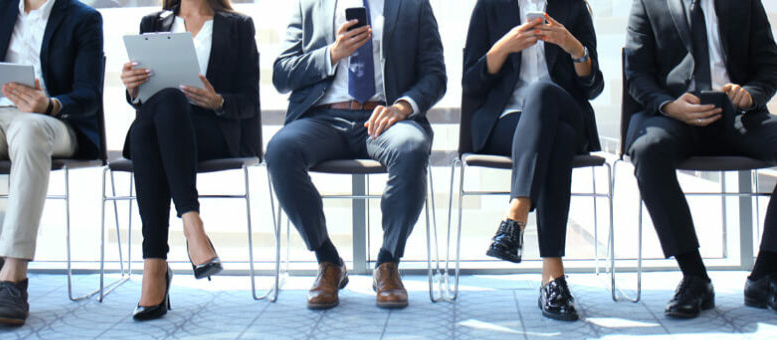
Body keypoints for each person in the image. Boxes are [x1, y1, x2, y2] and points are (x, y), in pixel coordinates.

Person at [266, 0, 447, 310]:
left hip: (385, 119)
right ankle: (328, 262)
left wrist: (402, 107)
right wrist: (332, 54)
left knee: (411, 147)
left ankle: (388, 263)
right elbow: (282, 75)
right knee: (281, 150)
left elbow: (435, 76)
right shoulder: (310, 5)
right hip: (323, 118)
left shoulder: (413, 5)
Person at [0, 0, 103, 326]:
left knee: (28, 127)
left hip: (52, 121)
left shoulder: (84, 18)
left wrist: (48, 104)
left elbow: (88, 94)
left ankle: (14, 275)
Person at [625, 0, 777, 318]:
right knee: (647, 149)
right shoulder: (647, 3)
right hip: (676, 115)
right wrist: (668, 105)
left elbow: (770, 66)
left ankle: (765, 274)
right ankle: (694, 277)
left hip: (738, 114)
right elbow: (636, 74)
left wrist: (750, 94)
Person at [463, 0, 603, 321]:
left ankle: (516, 213)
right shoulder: (490, 7)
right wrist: (503, 47)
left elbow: (593, 86)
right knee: (560, 139)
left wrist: (574, 46)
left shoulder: (573, 7)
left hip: (566, 107)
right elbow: (471, 83)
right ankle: (553, 277)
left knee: (542, 92)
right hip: (507, 121)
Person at [120, 0, 260, 321]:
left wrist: (218, 100)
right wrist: (132, 89)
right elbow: (140, 100)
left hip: (211, 134)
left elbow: (250, 101)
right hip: (158, 130)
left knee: (152, 127)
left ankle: (155, 266)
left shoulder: (237, 26)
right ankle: (192, 229)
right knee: (163, 107)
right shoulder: (152, 23)